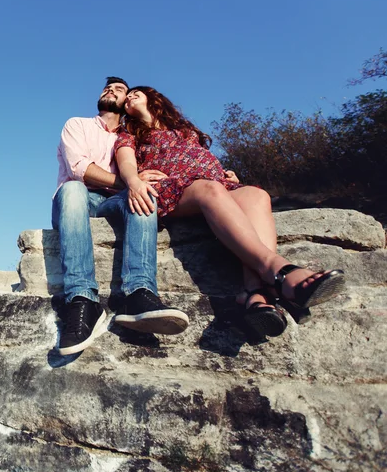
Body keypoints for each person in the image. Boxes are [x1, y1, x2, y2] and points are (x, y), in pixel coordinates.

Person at [114, 86, 346, 340]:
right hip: (174, 188)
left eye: (136, 93)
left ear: (153, 97)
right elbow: (126, 162)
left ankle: (254, 294)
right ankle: (277, 271)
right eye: (127, 98)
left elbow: (202, 157)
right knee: (210, 190)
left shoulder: (185, 130)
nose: (130, 97)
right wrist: (134, 181)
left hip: (214, 182)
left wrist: (225, 173)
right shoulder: (129, 133)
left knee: (257, 195)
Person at [53, 77, 189, 356]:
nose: (110, 91)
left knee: (146, 192)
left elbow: (171, 162)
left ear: (127, 103)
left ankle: (139, 294)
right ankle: (82, 299)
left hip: (114, 202)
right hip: (79, 200)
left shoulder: (132, 137)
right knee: (74, 187)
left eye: (118, 90)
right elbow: (79, 167)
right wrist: (129, 181)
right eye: (107, 88)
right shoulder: (77, 124)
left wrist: (222, 175)